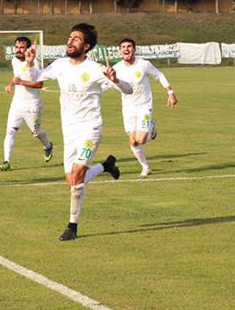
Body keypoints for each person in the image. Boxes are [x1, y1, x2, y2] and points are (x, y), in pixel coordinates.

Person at [12, 23, 133, 242]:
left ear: (86, 46)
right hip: (69, 131)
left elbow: (129, 89)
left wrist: (115, 80)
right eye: (70, 37)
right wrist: (30, 64)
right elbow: (37, 77)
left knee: (77, 176)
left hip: (90, 129)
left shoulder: (96, 69)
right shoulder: (59, 65)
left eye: (76, 38)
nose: (70, 41)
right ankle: (105, 166)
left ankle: (72, 226)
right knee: (72, 180)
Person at [111, 38, 178, 177]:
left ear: (134, 49)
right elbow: (106, 84)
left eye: (129, 46)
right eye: (123, 47)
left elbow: (159, 75)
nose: (126, 49)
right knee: (133, 141)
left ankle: (152, 126)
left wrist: (170, 92)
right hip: (128, 108)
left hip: (144, 106)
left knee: (141, 140)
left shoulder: (144, 64)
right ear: (120, 51)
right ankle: (145, 167)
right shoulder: (117, 68)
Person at [0, 36, 53, 171]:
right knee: (10, 131)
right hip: (17, 104)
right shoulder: (14, 61)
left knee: (36, 132)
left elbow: (39, 84)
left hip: (33, 106)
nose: (18, 50)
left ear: (28, 49)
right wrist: (10, 84)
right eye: (16, 47)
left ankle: (48, 146)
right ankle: (6, 161)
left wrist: (21, 83)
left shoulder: (36, 63)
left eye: (22, 47)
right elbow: (17, 76)